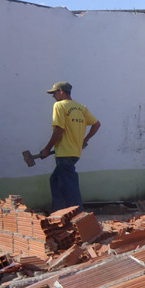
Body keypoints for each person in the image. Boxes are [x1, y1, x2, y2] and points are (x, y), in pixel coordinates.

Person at [40, 82, 101, 212]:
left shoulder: (59, 105)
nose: (53, 96)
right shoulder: (81, 108)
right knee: (55, 181)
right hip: (75, 153)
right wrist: (85, 140)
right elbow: (96, 124)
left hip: (64, 153)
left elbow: (59, 130)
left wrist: (46, 149)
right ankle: (58, 212)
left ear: (61, 91)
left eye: (54, 93)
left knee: (69, 186)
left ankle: (79, 216)